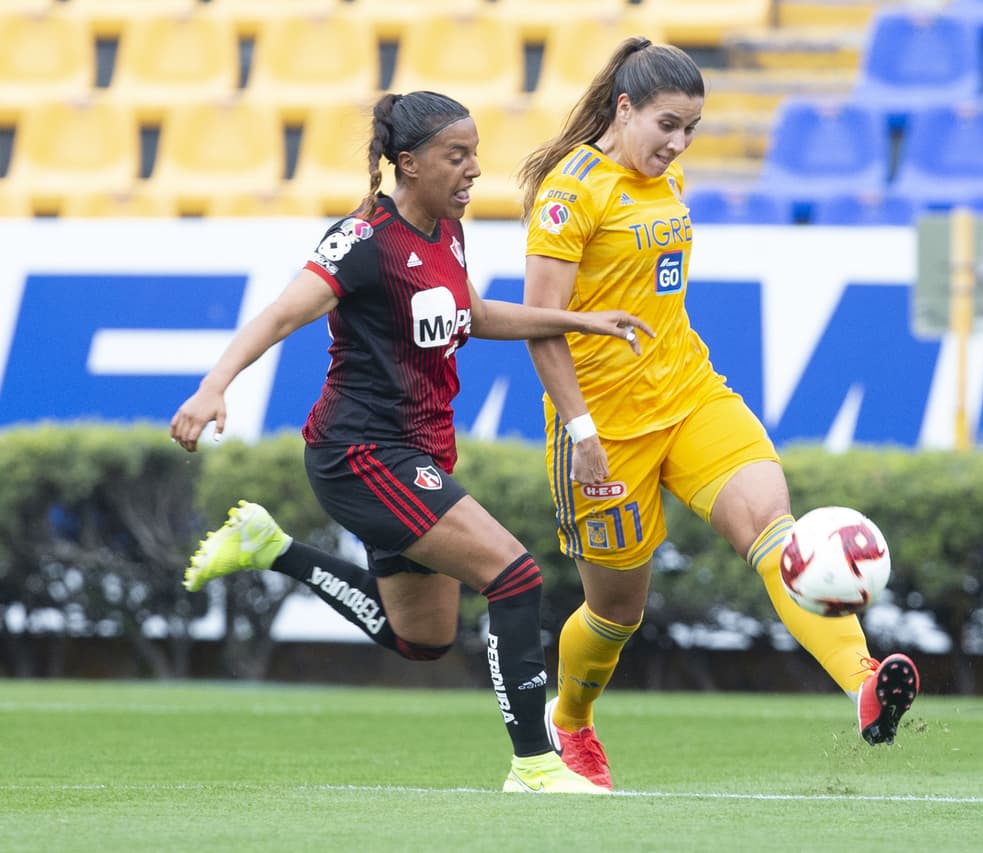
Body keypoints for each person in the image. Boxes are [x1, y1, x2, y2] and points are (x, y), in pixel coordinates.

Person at [170, 90, 654, 795]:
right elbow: (280, 315)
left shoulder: (449, 230)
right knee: (515, 576)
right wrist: (214, 385)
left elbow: (476, 313)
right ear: (409, 163)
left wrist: (578, 320)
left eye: (476, 155)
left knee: (421, 639)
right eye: (457, 157)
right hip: (361, 454)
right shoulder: (364, 241)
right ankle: (536, 765)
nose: (474, 170)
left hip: (418, 454)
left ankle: (271, 548)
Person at [515, 38, 921, 791]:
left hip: (692, 395)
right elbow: (541, 323)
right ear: (624, 107)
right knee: (614, 613)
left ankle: (864, 682)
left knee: (777, 531)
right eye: (666, 124)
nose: (677, 144)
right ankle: (569, 721)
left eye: (691, 129)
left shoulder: (663, 180)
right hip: (604, 429)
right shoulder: (572, 193)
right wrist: (580, 430)